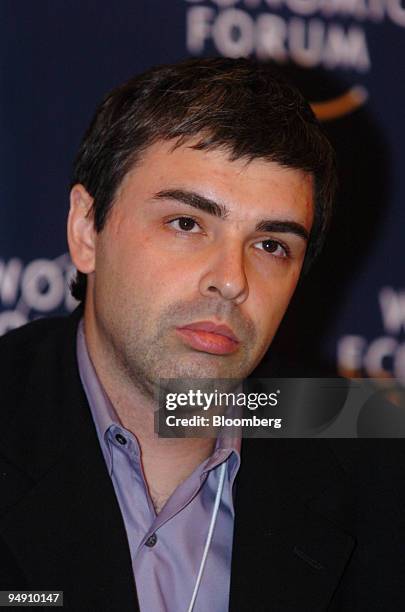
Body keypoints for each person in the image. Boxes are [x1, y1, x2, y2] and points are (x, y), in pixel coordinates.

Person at [0, 57, 404, 612]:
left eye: (271, 245)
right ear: (85, 230)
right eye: (187, 224)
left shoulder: (372, 444)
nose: (232, 281)